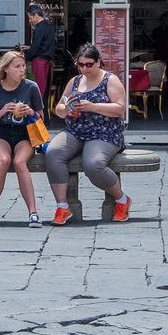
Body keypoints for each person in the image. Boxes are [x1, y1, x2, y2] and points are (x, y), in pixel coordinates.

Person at [45, 44, 130, 225]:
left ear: (99, 62)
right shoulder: (75, 81)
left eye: (89, 64)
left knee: (93, 164)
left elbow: (120, 109)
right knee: (52, 153)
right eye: (80, 64)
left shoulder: (110, 80)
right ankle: (62, 206)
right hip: (75, 130)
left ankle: (121, 199)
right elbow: (58, 108)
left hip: (104, 132)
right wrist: (66, 110)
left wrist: (93, 107)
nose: (84, 68)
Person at [0, 50, 45, 228]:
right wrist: (2, 112)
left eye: (23, 66)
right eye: (17, 67)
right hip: (2, 134)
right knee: (3, 160)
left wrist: (31, 112)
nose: (22, 70)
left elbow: (41, 118)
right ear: (6, 69)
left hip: (25, 134)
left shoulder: (31, 87)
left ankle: (33, 212)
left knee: (20, 162)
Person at [26, 3, 60, 103]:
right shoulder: (48, 26)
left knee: (39, 89)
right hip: (47, 61)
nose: (30, 21)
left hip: (39, 61)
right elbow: (46, 44)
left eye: (30, 17)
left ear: (36, 15)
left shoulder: (39, 28)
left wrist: (26, 57)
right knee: (44, 90)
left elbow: (36, 47)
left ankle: (38, 113)